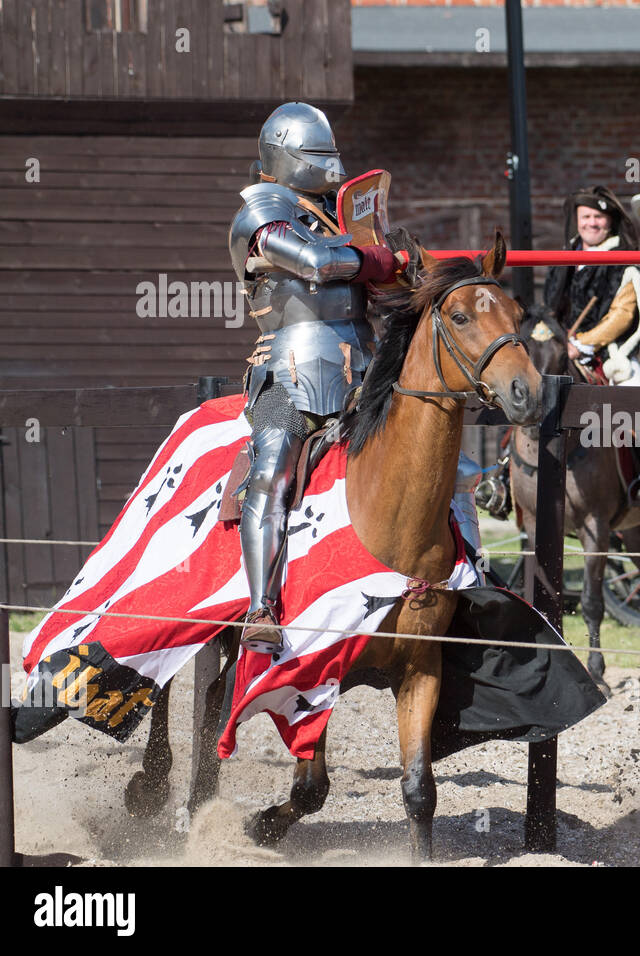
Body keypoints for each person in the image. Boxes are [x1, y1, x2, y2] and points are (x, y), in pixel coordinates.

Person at [228, 102, 409, 652]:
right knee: (273, 472)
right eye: (315, 154)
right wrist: (376, 258)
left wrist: (404, 266)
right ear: (283, 156)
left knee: (450, 462)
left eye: (332, 154)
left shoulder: (342, 214)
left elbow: (387, 285)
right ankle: (261, 609)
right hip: (289, 374)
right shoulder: (260, 214)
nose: (327, 165)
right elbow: (314, 263)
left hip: (366, 369)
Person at [542, 185, 640, 511]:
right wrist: (556, 340)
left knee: (639, 401)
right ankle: (506, 470)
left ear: (609, 222)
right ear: (577, 220)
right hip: (561, 349)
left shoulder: (624, 261)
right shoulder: (564, 258)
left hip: (612, 354)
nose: (592, 223)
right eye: (586, 217)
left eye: (598, 217)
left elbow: (622, 315)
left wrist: (583, 342)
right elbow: (550, 306)